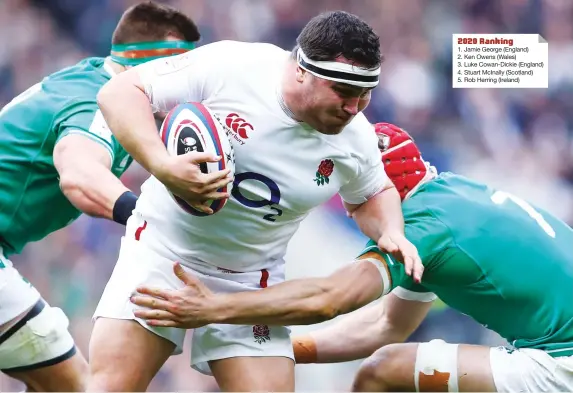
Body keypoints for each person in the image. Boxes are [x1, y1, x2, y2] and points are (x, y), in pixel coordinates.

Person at [91, 10, 423, 393]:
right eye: (344, 91)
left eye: (365, 93)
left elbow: (373, 192)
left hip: (251, 284)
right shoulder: (234, 66)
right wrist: (163, 165)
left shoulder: (356, 139)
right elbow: (119, 92)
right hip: (162, 253)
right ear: (301, 70)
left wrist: (391, 230)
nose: (354, 108)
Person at [132, 122, 573, 393]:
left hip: (561, 364)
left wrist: (216, 309)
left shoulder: (420, 230)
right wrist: (281, 352)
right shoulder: (448, 195)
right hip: (555, 353)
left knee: (382, 372)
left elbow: (331, 299)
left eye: (351, 196)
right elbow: (385, 325)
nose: (349, 210)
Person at [0, 2, 200, 391]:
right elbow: (78, 174)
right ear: (153, 65)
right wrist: (144, 217)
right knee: (74, 384)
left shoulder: (93, 78)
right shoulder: (100, 102)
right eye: (184, 71)